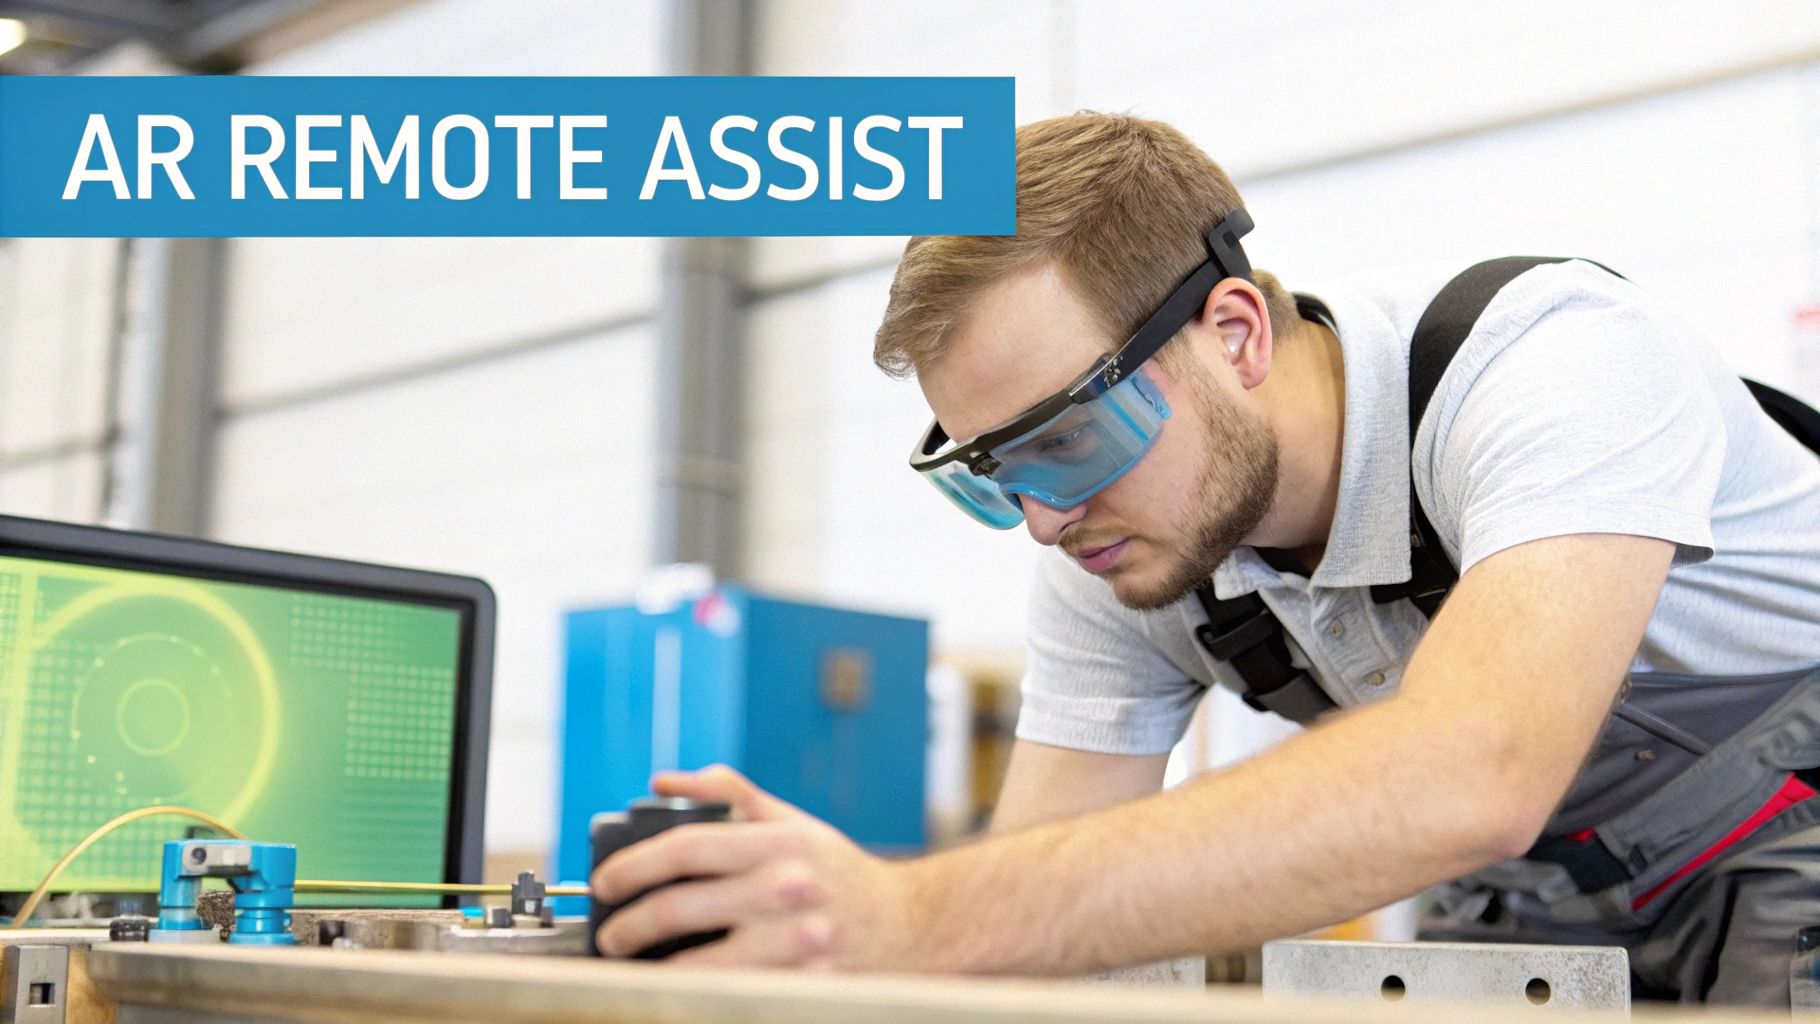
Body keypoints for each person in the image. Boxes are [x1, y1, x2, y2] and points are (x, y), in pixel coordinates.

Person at [589, 112, 1820, 1006]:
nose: (1042, 520)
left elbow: (1472, 772)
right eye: (993, 474)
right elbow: (1041, 904)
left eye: (1065, 439)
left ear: (1231, 332)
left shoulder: (1546, 361)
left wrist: (910, 908)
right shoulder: (1109, 539)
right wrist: (822, 932)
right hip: (1533, 888)